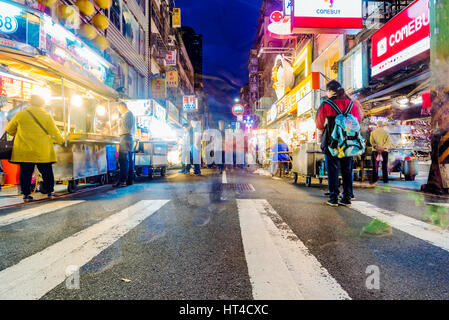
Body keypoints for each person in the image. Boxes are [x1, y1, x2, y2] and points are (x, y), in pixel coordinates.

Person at [6, 95, 65, 202]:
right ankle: (50, 192)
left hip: (24, 150)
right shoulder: (46, 115)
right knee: (46, 171)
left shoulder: (20, 115)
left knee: (25, 173)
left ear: (30, 103)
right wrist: (62, 141)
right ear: (43, 104)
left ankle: (26, 195)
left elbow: (10, 130)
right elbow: (54, 132)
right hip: (42, 150)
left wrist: (20, 134)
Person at [316, 80, 361, 207]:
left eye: (327, 91)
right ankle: (347, 197)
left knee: (333, 169)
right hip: (348, 143)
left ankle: (333, 197)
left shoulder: (326, 104)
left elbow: (319, 124)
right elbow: (357, 122)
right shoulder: (351, 104)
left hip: (333, 142)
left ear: (330, 91)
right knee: (347, 169)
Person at [114, 102, 135, 187]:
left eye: (119, 108)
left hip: (125, 138)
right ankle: (129, 180)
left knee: (123, 160)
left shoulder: (127, 114)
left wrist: (119, 121)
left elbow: (125, 127)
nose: (119, 110)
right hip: (128, 138)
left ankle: (122, 180)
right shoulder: (129, 115)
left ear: (122, 106)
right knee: (129, 160)